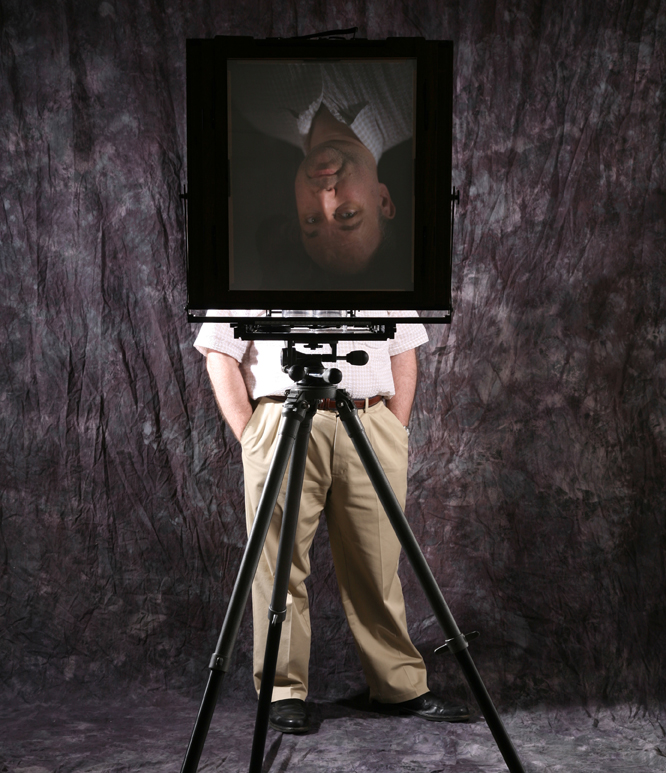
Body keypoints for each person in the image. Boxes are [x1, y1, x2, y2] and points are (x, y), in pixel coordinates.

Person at [194, 310, 469, 733]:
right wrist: (252, 435)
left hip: (370, 418)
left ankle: (399, 685)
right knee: (277, 568)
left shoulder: (382, 273)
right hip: (282, 419)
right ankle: (282, 690)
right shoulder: (250, 273)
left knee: (378, 564)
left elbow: (403, 348)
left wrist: (394, 426)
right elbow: (219, 351)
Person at [229, 61, 413, 286]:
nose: (324, 196)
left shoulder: (253, 105)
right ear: (383, 200)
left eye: (312, 219)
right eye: (348, 215)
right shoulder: (413, 90)